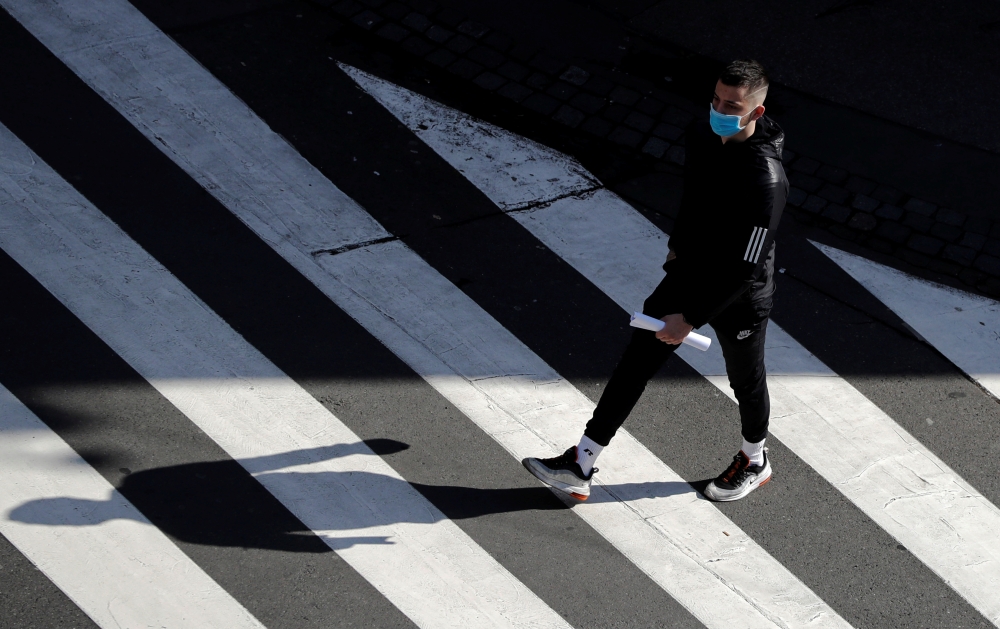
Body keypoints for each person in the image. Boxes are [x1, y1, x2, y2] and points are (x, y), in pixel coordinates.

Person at [523, 59, 788, 502]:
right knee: (635, 365)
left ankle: (755, 458)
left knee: (745, 378)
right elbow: (694, 195)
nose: (719, 109)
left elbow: (746, 267)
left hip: (738, 296)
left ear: (755, 112)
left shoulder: (766, 180)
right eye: (717, 99)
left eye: (732, 105)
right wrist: (677, 246)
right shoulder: (702, 133)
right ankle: (581, 462)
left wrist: (691, 318)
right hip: (690, 273)